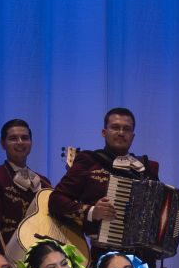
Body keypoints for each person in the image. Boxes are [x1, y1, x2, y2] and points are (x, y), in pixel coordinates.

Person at [49, 106, 165, 255]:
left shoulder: (146, 167)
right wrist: (92, 211)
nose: (121, 133)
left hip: (144, 255)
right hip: (104, 254)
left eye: (127, 129)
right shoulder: (89, 161)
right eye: (115, 127)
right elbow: (56, 200)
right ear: (104, 132)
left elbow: (159, 208)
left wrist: (174, 216)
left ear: (133, 136)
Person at [0, 118, 51, 256]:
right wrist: (1, 261)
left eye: (25, 138)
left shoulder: (43, 182)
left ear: (31, 142)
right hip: (9, 256)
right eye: (13, 138)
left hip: (41, 256)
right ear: (3, 144)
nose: (20, 142)